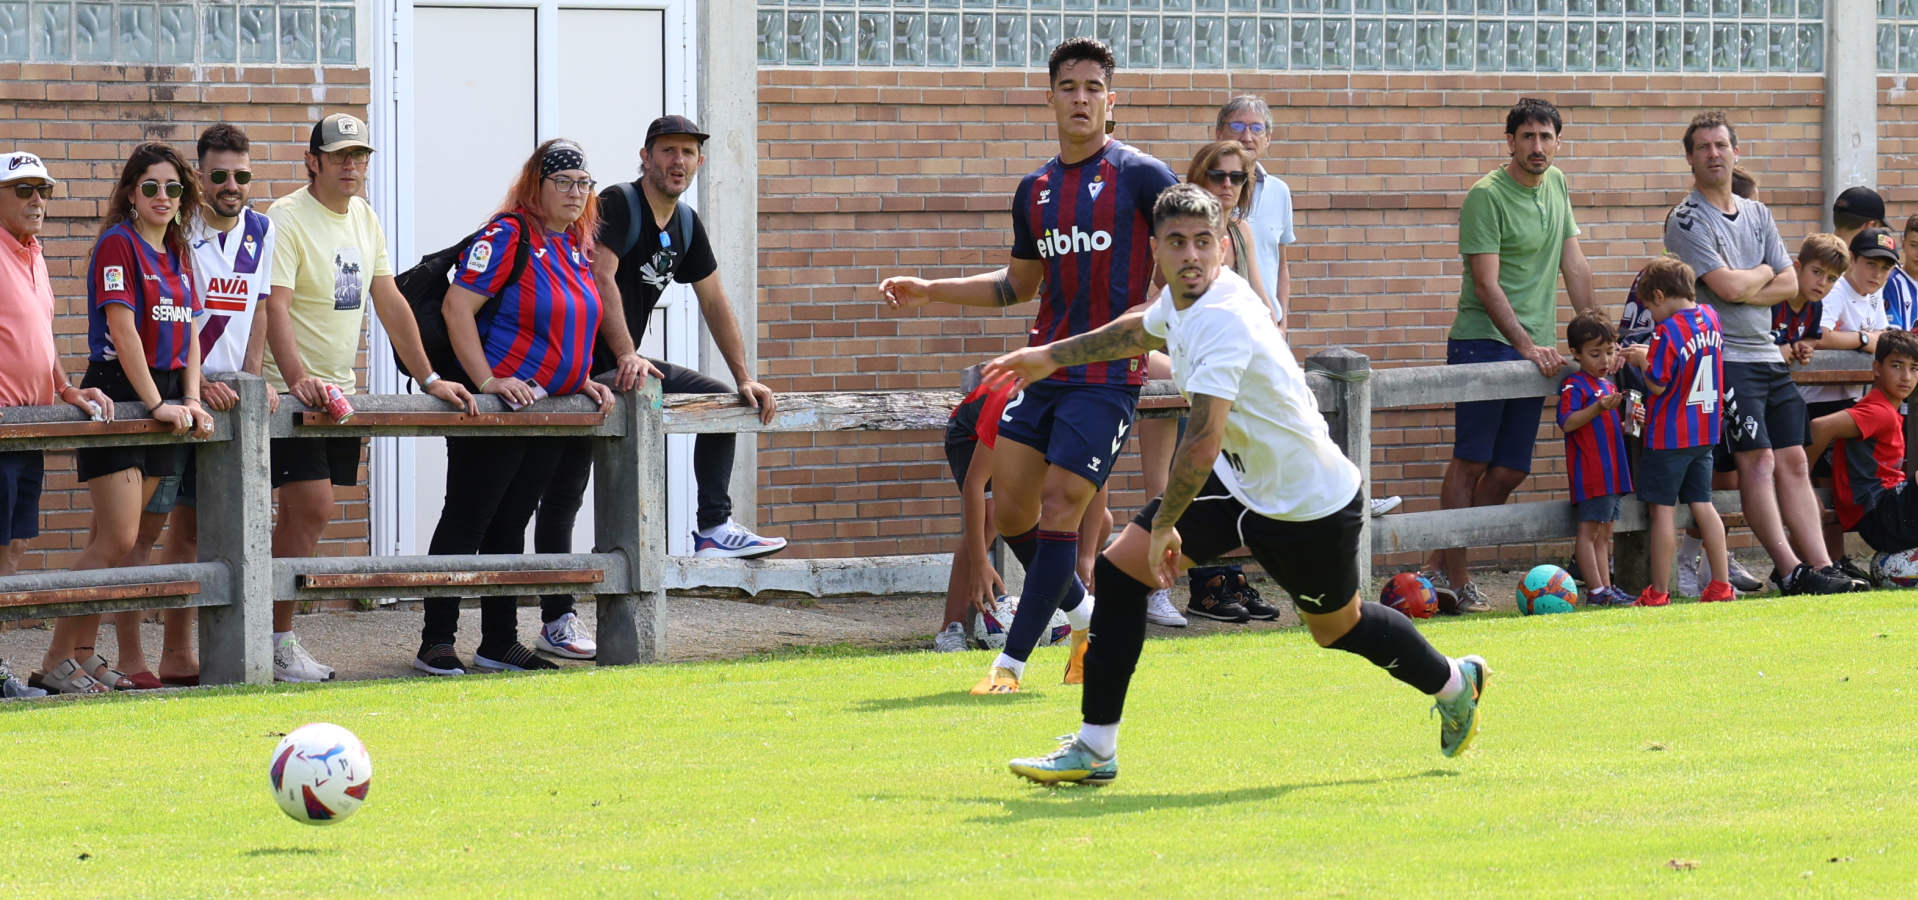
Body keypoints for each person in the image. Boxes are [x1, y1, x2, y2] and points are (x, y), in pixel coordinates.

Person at [987, 184, 1487, 785]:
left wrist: (1165, 524)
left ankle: (1456, 682)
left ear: (1222, 248)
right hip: (1235, 482)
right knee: (1120, 576)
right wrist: (1051, 356)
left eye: (1204, 242)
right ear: (1158, 252)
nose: (1191, 254)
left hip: (1307, 504)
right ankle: (1096, 749)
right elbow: (1136, 330)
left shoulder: (1224, 316)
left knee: (1337, 629)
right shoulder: (1179, 302)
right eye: (1177, 243)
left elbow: (1200, 441)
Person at [880, 37, 1177, 694]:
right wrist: (932, 290)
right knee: (1008, 514)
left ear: (1111, 101)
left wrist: (1178, 312)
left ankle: (1009, 666)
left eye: (1093, 87)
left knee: (1060, 509)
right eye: (1068, 86)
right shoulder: (1036, 189)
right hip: (1038, 373)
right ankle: (1086, 617)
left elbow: (1198, 252)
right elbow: (1018, 284)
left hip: (1105, 379)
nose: (1081, 98)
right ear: (1049, 97)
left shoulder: (1144, 177)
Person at [263, 113, 477, 682]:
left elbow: (389, 302)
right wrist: (297, 379)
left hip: (341, 394)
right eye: (339, 156)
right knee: (311, 509)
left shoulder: (364, 216)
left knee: (305, 518)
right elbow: (274, 307)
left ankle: (270, 634)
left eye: (359, 156)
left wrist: (428, 377)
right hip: (290, 394)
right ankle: (274, 641)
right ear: (314, 161)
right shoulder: (283, 218)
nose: (351, 165)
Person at [415, 139, 618, 676]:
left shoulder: (574, 243)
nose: (576, 193)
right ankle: (436, 641)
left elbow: (571, 322)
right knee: (467, 520)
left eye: (584, 183)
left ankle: (499, 641)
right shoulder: (507, 235)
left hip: (550, 411)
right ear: (536, 186)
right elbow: (458, 307)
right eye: (564, 182)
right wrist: (487, 380)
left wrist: (583, 381)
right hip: (498, 410)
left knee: (513, 523)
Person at [32, 142, 213, 695]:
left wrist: (192, 397)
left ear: (184, 197)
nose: (163, 197)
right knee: (117, 538)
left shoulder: (180, 251)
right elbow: (123, 330)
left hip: (167, 395)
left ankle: (83, 657)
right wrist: (155, 405)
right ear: (132, 194)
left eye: (173, 188)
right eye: (151, 187)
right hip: (119, 390)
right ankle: (56, 660)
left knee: (122, 541)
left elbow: (191, 335)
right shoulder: (118, 244)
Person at [107, 124, 277, 689]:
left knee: (199, 535)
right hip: (182, 394)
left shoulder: (262, 230)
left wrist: (252, 382)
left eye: (242, 176)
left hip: (230, 406)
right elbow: (165, 326)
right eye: (219, 175)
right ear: (199, 176)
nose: (231, 185)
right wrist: (190, 388)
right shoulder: (176, 229)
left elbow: (260, 310)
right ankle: (130, 656)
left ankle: (179, 654)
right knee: (144, 533)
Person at [1662, 111, 1853, 596]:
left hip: (1769, 357)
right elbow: (1724, 286)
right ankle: (1789, 569)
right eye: (1703, 147)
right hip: (1724, 359)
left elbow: (1791, 282)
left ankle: (1822, 565)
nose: (1713, 154)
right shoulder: (1685, 219)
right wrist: (1760, 275)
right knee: (1758, 460)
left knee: (1794, 460)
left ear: (1735, 152)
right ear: (1690, 157)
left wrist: (1749, 283)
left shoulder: (1758, 214)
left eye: (1721, 145)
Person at [1425, 98, 1596, 613]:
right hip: (1484, 342)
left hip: (1536, 348)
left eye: (1546, 137)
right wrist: (1525, 346)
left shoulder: (1558, 184)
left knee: (1510, 470)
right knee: (1472, 460)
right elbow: (1486, 283)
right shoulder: (1486, 196)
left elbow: (1575, 264)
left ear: (1558, 142)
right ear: (1510, 142)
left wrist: (1599, 338)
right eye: (1527, 137)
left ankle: (1437, 563)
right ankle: (1458, 577)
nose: (1537, 147)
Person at [0, 150, 114, 698]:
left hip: (31, 427)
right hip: (1, 429)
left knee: (14, 549)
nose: (37, 201)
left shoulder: (35, 255)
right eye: (23, 190)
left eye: (42, 190)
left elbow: (40, 341)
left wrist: (67, 388)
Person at [935, 366, 1116, 651]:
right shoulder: (1012, 407)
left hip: (1029, 437)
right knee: (994, 514)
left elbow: (1095, 484)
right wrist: (981, 563)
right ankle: (951, 628)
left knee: (1100, 520)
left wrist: (1085, 559)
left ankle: (1071, 604)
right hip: (972, 437)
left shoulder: (1082, 414)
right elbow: (974, 484)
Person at [1173, 139, 1279, 625]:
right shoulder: (1184, 235)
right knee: (1205, 480)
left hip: (1244, 378)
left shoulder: (1240, 231)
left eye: (1239, 178)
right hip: (1202, 376)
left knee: (1239, 475)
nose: (1229, 186)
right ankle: (1205, 586)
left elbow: (1262, 302)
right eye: (1219, 176)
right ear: (1200, 178)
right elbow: (1168, 301)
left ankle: (1233, 579)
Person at [1620, 257, 1732, 607]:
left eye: (1650, 307)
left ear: (1658, 295)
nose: (1651, 316)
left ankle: (1658, 591)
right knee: (1704, 505)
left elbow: (1656, 383)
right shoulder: (1712, 316)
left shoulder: (1666, 331)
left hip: (1669, 435)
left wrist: (1642, 360)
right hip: (1705, 431)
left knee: (1663, 511)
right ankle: (1721, 584)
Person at [1805, 227, 1899, 578]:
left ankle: (1834, 558)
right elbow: (1819, 336)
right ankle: (1820, 561)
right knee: (1818, 483)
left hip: (1851, 400)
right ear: (1852, 263)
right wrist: (1863, 339)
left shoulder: (1875, 294)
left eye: (1885, 268)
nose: (1878, 274)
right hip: (1819, 402)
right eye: (1870, 264)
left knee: (1833, 486)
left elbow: (1884, 338)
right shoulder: (1837, 292)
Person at [1806, 330, 1918, 558]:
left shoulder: (1888, 411)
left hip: (1887, 512)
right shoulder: (1879, 412)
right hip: (1878, 513)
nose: (1906, 376)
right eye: (1897, 365)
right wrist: (1802, 487)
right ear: (1877, 368)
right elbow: (1819, 427)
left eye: (1914, 368)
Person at [1556, 312, 1635, 608]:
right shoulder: (1574, 386)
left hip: (1614, 471)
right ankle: (1595, 589)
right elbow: (1567, 422)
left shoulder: (1610, 386)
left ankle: (1607, 588)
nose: (1604, 360)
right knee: (1589, 531)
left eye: (1610, 352)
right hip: (1591, 472)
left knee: (1606, 532)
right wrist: (1597, 408)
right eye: (1595, 354)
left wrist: (1632, 417)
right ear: (1576, 353)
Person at [1213, 95, 1294, 329]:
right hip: (1223, 327)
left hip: (1268, 325)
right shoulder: (1204, 190)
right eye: (1237, 127)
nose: (1246, 137)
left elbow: (1281, 266)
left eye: (1256, 128)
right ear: (1218, 133)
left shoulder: (1280, 192)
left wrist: (1282, 322)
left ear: (1267, 139)